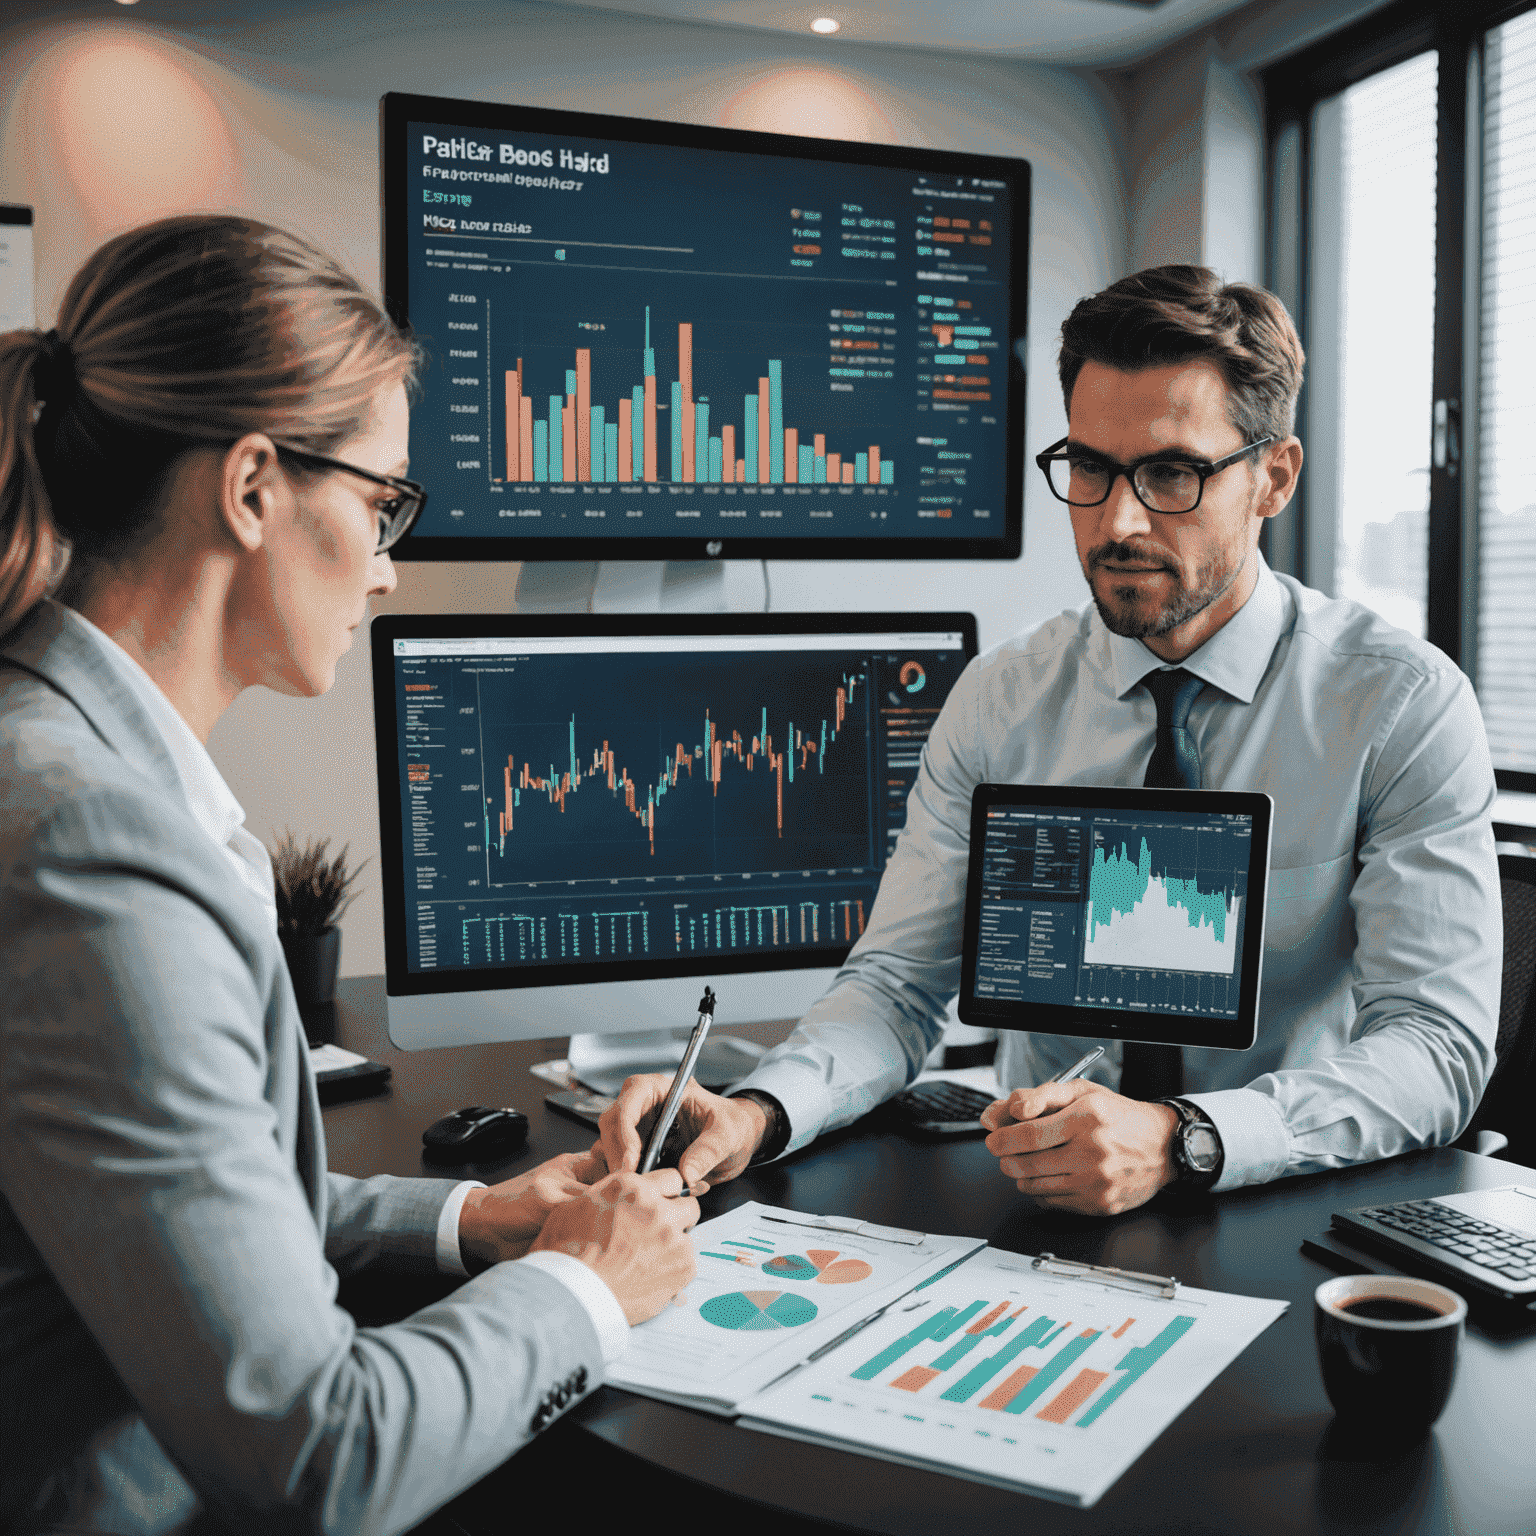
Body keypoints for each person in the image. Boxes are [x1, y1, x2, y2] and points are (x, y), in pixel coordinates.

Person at [0, 215, 700, 1536]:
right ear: (254, 486)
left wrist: (478, 1219)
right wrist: (588, 1287)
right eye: (382, 503)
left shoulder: (69, 766)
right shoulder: (93, 847)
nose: (389, 568)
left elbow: (173, 1215)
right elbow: (326, 1459)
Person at [599, 264, 1501, 1219]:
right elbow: (899, 986)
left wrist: (1188, 1136)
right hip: (1039, 1200)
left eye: (1171, 474)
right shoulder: (1001, 699)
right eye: (1090, 467)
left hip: (1286, 1197)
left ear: (1272, 478)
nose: (1117, 521)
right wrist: (760, 1111)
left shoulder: (1399, 705)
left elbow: (1437, 1047)